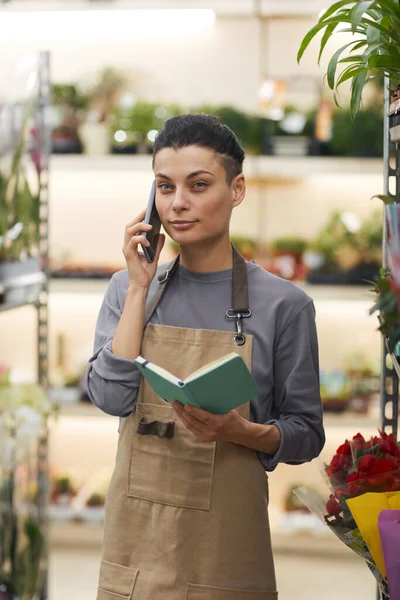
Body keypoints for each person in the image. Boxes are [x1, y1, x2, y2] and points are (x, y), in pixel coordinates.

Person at [85, 114, 325, 600]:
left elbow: (306, 432)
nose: (177, 204)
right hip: (135, 554)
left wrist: (241, 432)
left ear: (237, 189)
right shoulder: (128, 289)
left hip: (225, 558)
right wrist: (137, 289)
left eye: (198, 185)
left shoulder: (285, 305)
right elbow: (110, 397)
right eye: (164, 187)